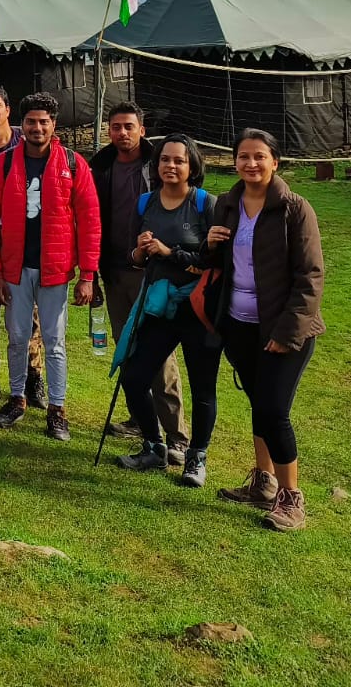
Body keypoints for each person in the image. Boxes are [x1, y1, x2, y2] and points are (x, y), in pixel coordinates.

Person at [206, 128, 325, 532]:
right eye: (243, 157)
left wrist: (287, 332)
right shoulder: (227, 204)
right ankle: (263, 481)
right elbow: (218, 261)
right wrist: (210, 241)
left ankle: (291, 498)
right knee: (259, 405)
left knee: (274, 410)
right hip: (239, 326)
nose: (251, 164)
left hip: (285, 330)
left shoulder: (294, 209)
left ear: (275, 161)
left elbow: (310, 277)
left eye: (259, 157)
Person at [0, 92, 100, 441]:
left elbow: (90, 220)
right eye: (30, 121)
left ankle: (57, 409)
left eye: (43, 122)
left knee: (54, 339)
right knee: (17, 337)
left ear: (53, 125)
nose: (36, 128)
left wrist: (88, 275)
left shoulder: (74, 164)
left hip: (55, 270)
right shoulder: (4, 164)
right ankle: (16, 398)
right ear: (23, 125)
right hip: (15, 269)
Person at [114, 134, 222, 487]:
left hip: (198, 309)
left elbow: (214, 260)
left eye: (178, 160)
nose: (171, 166)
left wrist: (169, 253)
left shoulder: (206, 204)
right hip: (160, 307)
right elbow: (133, 256)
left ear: (192, 166)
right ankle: (153, 446)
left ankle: (196, 457)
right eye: (164, 160)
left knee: (202, 387)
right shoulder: (146, 204)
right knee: (134, 377)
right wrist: (143, 252)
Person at [89, 101, 191, 464]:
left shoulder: (160, 162)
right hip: (115, 270)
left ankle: (178, 436)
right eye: (115, 127)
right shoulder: (100, 166)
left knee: (160, 357)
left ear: (142, 130)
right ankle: (141, 420)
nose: (122, 133)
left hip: (154, 274)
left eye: (129, 126)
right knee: (128, 351)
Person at [0, 83, 42, 403]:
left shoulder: (25, 141)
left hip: (24, 239)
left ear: (7, 109)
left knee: (29, 317)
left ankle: (34, 380)